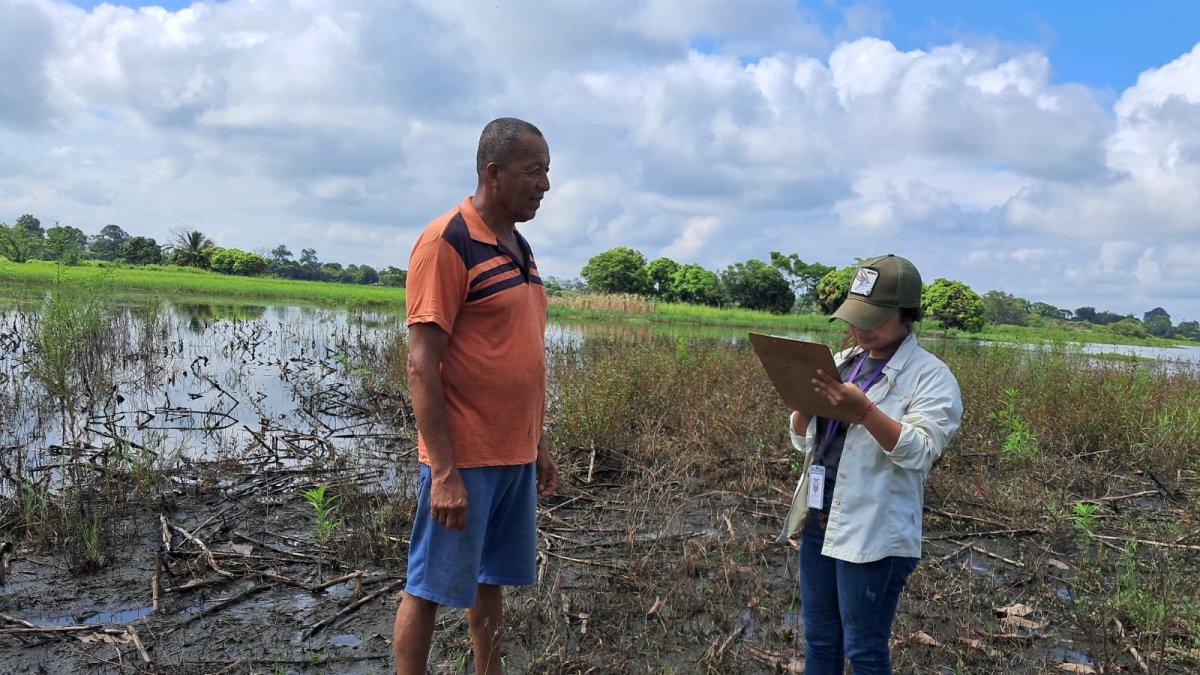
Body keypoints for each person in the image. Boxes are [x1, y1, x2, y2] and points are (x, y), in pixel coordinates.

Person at [393, 117, 559, 675]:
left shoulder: (519, 245)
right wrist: (443, 471)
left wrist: (536, 444)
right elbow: (422, 364)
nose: (545, 185)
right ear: (494, 172)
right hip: (465, 460)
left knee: (492, 583)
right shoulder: (447, 243)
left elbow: (516, 352)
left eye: (547, 172)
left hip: (514, 455)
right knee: (428, 586)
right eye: (533, 171)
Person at [777, 254, 962, 675]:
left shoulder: (930, 377)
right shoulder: (843, 361)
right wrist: (802, 406)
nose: (861, 330)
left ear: (906, 315)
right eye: (856, 318)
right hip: (821, 518)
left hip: (875, 529)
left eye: (874, 320)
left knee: (863, 649)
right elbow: (804, 440)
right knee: (821, 638)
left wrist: (864, 412)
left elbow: (920, 452)